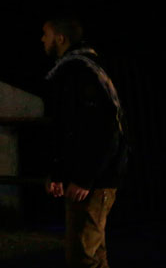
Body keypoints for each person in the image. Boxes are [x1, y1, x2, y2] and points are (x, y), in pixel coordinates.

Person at [41, 13, 128, 268]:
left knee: (82, 256)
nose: (41, 40)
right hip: (95, 176)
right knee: (94, 253)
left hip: (94, 180)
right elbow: (70, 127)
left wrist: (84, 177)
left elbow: (101, 129)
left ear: (60, 38)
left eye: (45, 34)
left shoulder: (78, 72)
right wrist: (59, 173)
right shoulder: (89, 66)